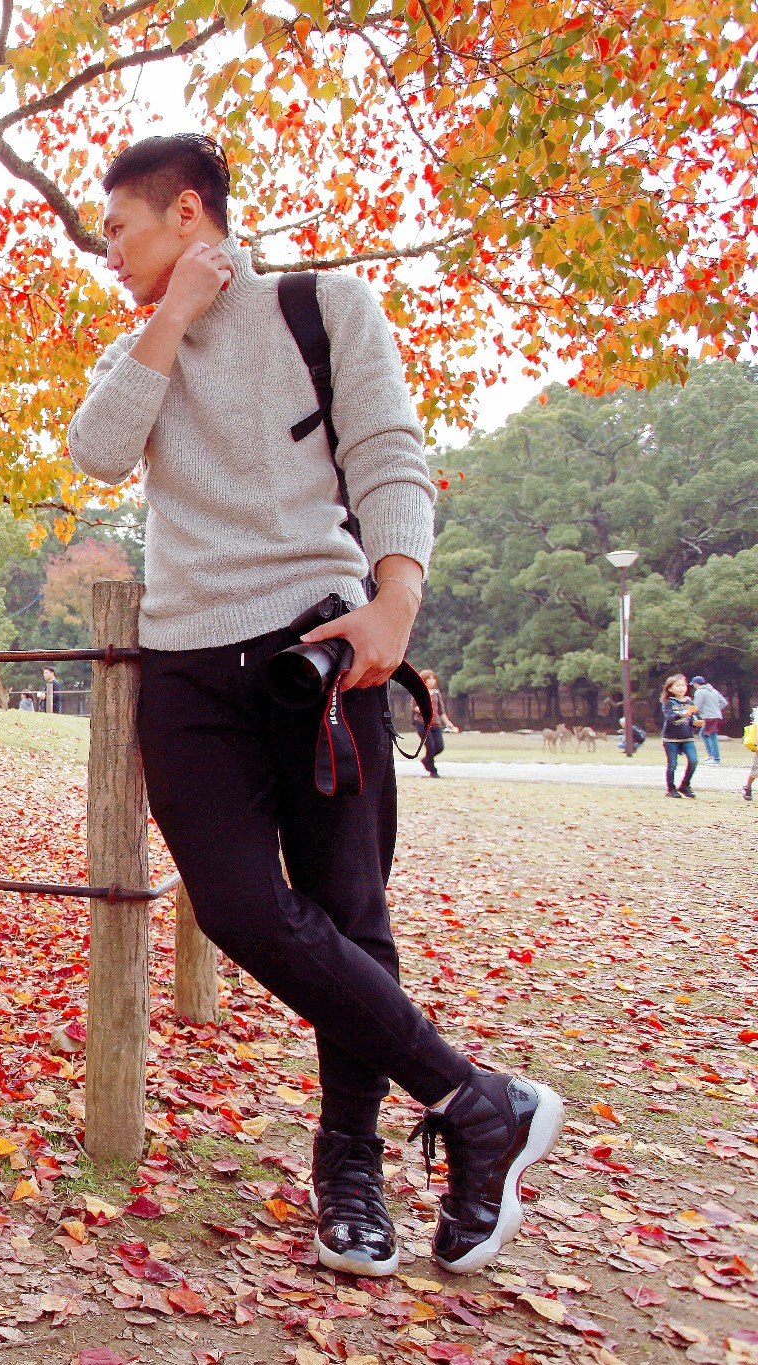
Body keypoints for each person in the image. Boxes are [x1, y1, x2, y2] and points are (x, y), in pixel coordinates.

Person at [66, 134, 561, 1279]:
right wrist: (169, 317)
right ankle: (478, 1103)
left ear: (186, 212)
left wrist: (395, 599)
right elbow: (95, 455)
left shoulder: (323, 308)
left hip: (320, 646)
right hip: (184, 665)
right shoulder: (134, 347)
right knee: (238, 906)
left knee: (346, 913)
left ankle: (351, 1166)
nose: (109, 253)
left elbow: (389, 457)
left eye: (120, 231)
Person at [661, 674, 700, 798]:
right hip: (671, 738)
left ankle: (685, 785)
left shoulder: (689, 701)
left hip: (687, 737)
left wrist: (696, 723)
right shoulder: (668, 702)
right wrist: (683, 714)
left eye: (683, 685)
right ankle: (671, 789)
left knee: (694, 761)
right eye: (677, 686)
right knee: (672, 764)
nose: (681, 688)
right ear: (670, 688)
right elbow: (670, 717)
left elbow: (692, 718)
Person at [415, 668, 459, 777]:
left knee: (439, 747)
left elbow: (441, 710)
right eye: (429, 679)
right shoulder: (418, 691)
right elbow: (414, 708)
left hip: (436, 724)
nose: (432, 681)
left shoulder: (436, 693)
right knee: (431, 747)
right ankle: (433, 771)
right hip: (422, 724)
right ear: (423, 680)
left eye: (433, 678)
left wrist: (448, 723)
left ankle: (426, 760)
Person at [690, 673, 727, 763]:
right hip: (716, 716)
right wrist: (715, 709)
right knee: (704, 734)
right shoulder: (713, 690)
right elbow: (724, 702)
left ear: (696, 683)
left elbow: (696, 706)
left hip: (709, 717)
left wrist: (689, 713)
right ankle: (711, 756)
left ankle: (715, 758)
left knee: (711, 736)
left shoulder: (700, 691)